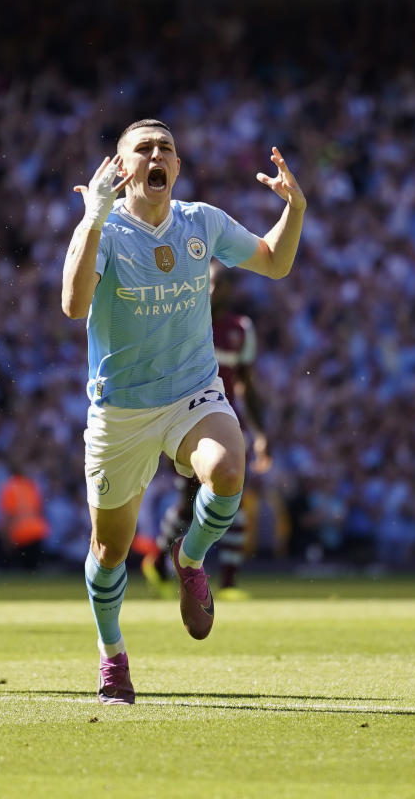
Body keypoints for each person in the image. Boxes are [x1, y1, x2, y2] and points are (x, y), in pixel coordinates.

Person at [62, 119, 304, 704]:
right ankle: (112, 655)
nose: (156, 154)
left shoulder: (201, 221)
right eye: (143, 148)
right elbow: (72, 305)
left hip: (192, 393)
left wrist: (296, 207)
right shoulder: (105, 228)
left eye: (165, 147)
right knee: (109, 551)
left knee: (227, 471)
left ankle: (189, 558)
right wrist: (92, 218)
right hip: (121, 410)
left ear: (177, 165)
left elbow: (274, 261)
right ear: (121, 168)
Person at [142, 263, 271, 601]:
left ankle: (227, 582)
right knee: (189, 503)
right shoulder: (185, 324)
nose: (213, 291)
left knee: (230, 498)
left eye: (218, 284)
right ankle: (162, 562)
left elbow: (247, 385)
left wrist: (261, 431)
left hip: (228, 425)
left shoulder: (241, 329)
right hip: (188, 425)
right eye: (208, 284)